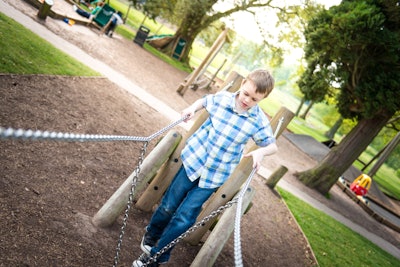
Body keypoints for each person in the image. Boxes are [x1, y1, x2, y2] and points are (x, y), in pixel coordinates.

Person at [132, 69, 278, 267]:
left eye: (254, 99)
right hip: (194, 161)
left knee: (184, 217)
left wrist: (261, 152)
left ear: (263, 98)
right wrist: (192, 109)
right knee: (168, 205)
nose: (247, 100)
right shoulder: (223, 99)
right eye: (246, 94)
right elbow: (205, 101)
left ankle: (156, 257)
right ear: (243, 84)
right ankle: (152, 235)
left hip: (214, 175)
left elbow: (272, 145)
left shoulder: (258, 121)